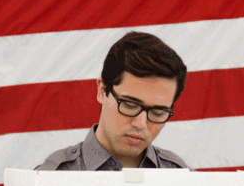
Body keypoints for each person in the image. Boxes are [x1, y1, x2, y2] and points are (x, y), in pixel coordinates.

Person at [37, 31, 190, 171]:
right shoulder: (50, 177)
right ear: (102, 91)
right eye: (130, 105)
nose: (141, 124)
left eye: (158, 112)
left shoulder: (185, 179)